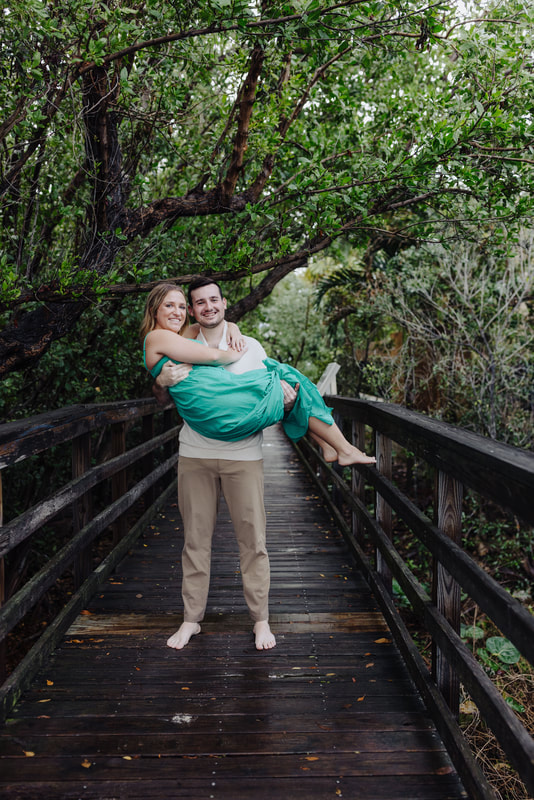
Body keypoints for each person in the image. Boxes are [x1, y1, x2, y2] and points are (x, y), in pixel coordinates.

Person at [144, 279, 374, 652]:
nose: (205, 307)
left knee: (253, 542)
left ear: (224, 303)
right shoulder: (183, 341)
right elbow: (160, 383)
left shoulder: (248, 345)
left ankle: (261, 620)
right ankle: (191, 621)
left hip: (244, 456)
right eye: (197, 302)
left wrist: (282, 405)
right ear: (192, 309)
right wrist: (160, 380)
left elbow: (264, 395)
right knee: (195, 541)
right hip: (195, 454)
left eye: (213, 300)